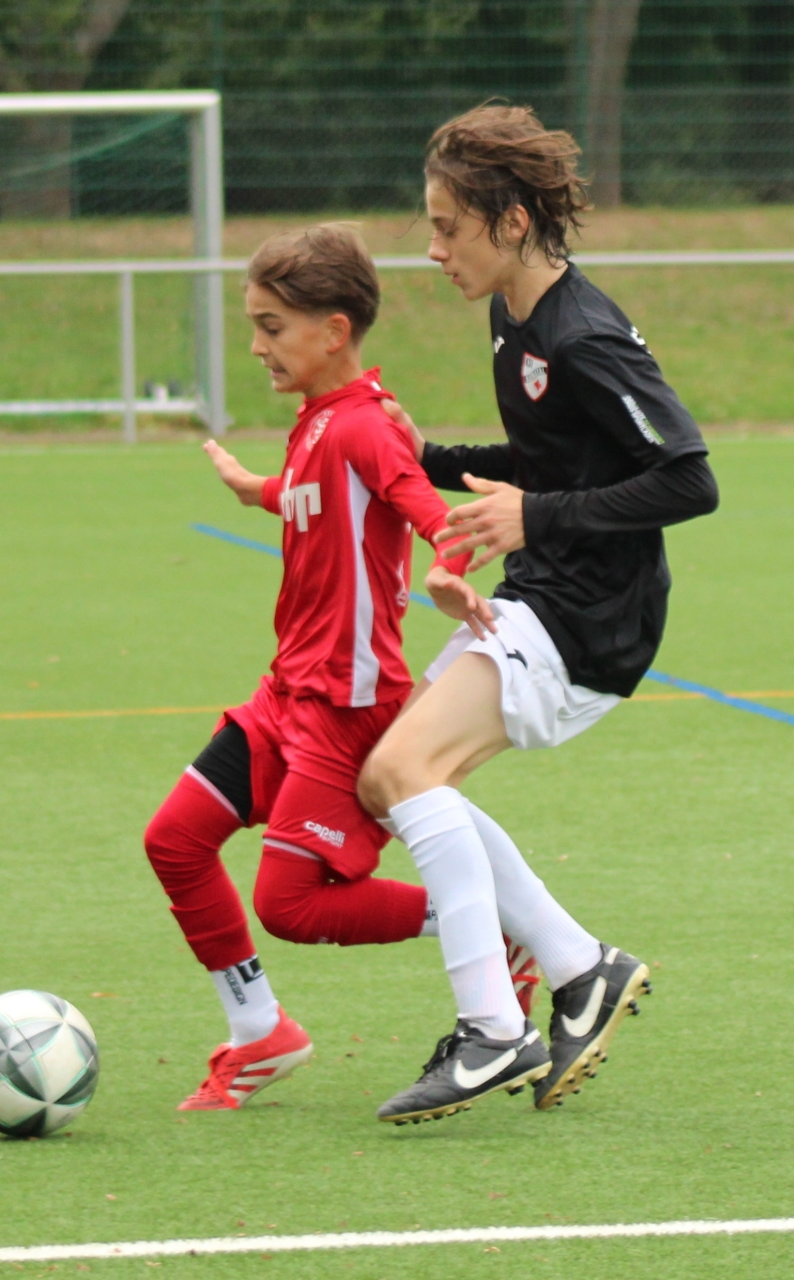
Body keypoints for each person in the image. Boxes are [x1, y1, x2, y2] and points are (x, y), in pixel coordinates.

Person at [358, 105, 721, 1125]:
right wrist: (432, 460)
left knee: (403, 771)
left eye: (448, 228)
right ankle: (576, 967)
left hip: (593, 617)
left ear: (512, 222)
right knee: (391, 781)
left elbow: (689, 479)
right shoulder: (513, 320)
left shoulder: (584, 334)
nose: (434, 250)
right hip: (545, 594)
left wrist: (537, 516)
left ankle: (491, 1030)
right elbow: (553, 459)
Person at [143, 224, 538, 1112]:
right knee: (174, 841)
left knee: (290, 905)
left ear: (332, 331)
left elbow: (422, 505)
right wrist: (259, 491)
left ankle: (489, 925)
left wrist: (449, 563)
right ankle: (260, 1033)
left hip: (346, 708)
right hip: (286, 695)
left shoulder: (364, 425)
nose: (257, 346)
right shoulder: (319, 420)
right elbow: (317, 497)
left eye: (271, 327)